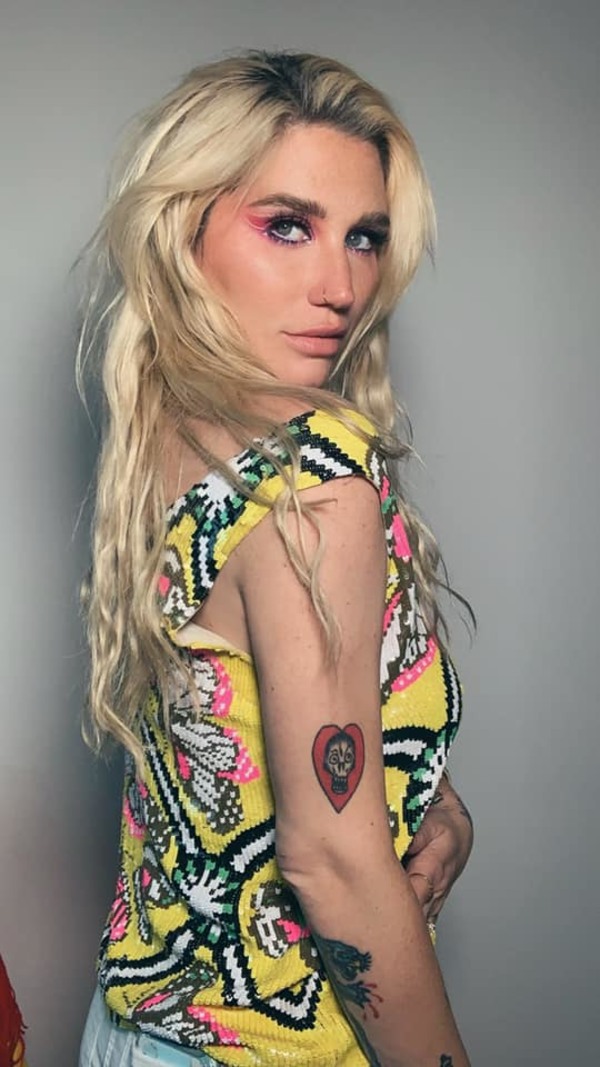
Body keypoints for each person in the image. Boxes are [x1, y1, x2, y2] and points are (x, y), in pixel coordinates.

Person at [78, 50, 474, 1067]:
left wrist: (425, 799)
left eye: (364, 237)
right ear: (185, 230)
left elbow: (236, 729)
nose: (340, 286)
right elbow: (330, 861)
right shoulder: (313, 479)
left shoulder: (167, 431)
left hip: (135, 1031)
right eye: (288, 225)